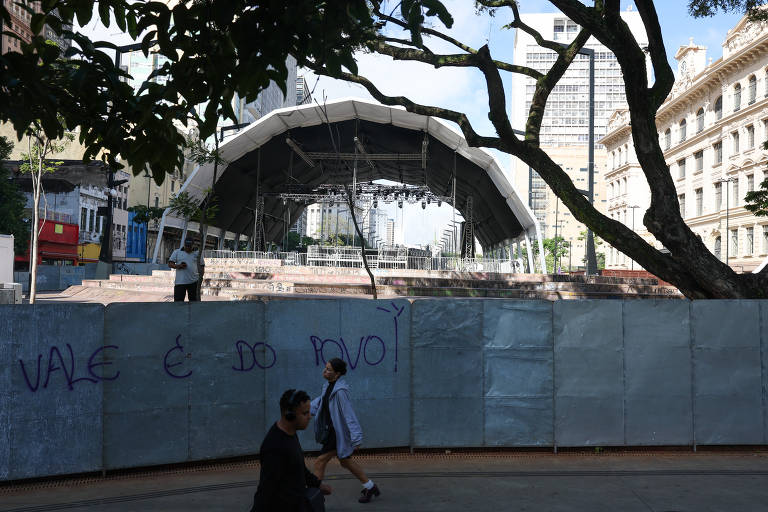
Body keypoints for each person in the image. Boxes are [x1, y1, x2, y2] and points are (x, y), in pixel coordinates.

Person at [311, 358, 380, 504]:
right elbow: (321, 402)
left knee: (319, 461)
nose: (325, 371)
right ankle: (370, 487)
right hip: (331, 431)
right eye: (325, 368)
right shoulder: (328, 386)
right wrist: (306, 409)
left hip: (337, 434)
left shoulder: (340, 392)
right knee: (345, 462)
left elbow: (349, 414)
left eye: (329, 369)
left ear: (337, 374)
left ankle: (314, 496)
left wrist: (356, 437)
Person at [250, 389, 332, 512]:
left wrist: (318, 485)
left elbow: (300, 467)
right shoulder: (274, 446)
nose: (309, 417)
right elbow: (266, 489)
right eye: (305, 413)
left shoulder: (291, 433)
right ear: (289, 415)